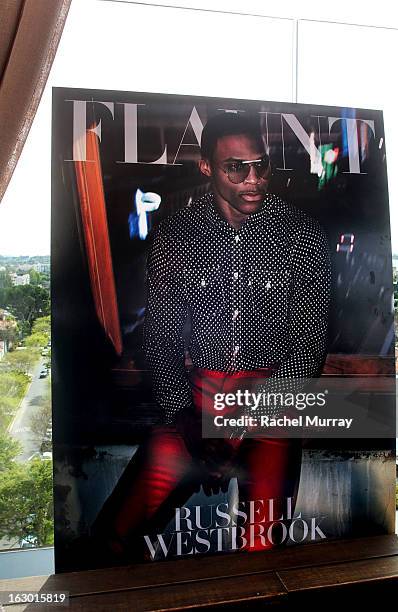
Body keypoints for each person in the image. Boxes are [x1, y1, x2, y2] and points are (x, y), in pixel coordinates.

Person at [93, 112, 331, 560]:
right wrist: (187, 417)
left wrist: (239, 427)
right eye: (236, 167)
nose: (254, 179)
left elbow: (307, 348)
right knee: (113, 535)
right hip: (195, 405)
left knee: (262, 550)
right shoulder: (177, 236)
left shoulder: (302, 235)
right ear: (206, 167)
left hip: (271, 410)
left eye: (261, 165)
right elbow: (161, 340)